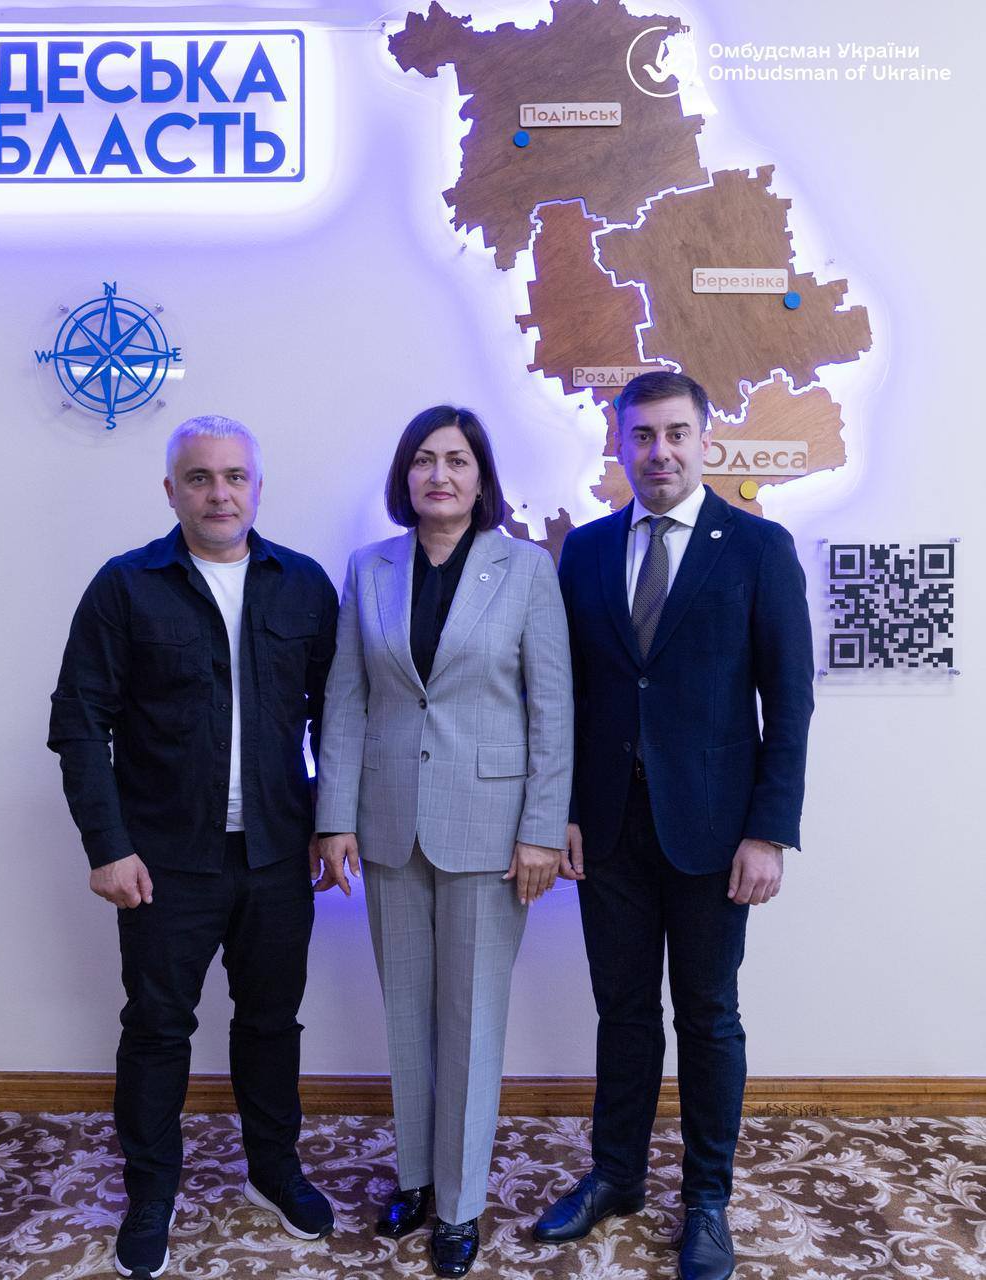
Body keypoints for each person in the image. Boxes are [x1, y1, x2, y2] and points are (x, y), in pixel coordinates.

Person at [534, 372, 814, 1280]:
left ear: (706, 440)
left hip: (716, 834)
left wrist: (769, 831)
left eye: (677, 433)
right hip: (609, 829)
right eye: (643, 436)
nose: (660, 452)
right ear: (619, 445)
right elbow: (569, 696)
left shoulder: (759, 548)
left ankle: (706, 1200)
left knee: (708, 1016)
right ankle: (616, 1176)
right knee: (622, 1012)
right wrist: (564, 811)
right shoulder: (585, 551)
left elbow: (790, 703)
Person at [48, 416, 338, 1279]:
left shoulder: (303, 585)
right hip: (164, 860)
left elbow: (342, 718)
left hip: (277, 855)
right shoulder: (125, 586)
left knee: (271, 1024)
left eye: (235, 476)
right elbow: (79, 722)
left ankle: (273, 1170)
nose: (220, 493)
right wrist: (108, 846)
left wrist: (333, 822)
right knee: (157, 1028)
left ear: (259, 488)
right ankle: (151, 1192)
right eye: (201, 477)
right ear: (170, 490)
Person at [314, 406, 573, 1277]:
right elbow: (347, 699)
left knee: (471, 1020)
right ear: (405, 475)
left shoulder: (525, 569)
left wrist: (542, 830)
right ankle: (417, 1178)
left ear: (480, 476)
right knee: (407, 1015)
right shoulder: (370, 567)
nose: (440, 476)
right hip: (387, 822)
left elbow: (553, 708)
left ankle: (459, 1206)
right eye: (424, 460)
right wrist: (334, 816)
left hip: (492, 831)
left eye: (457, 461)